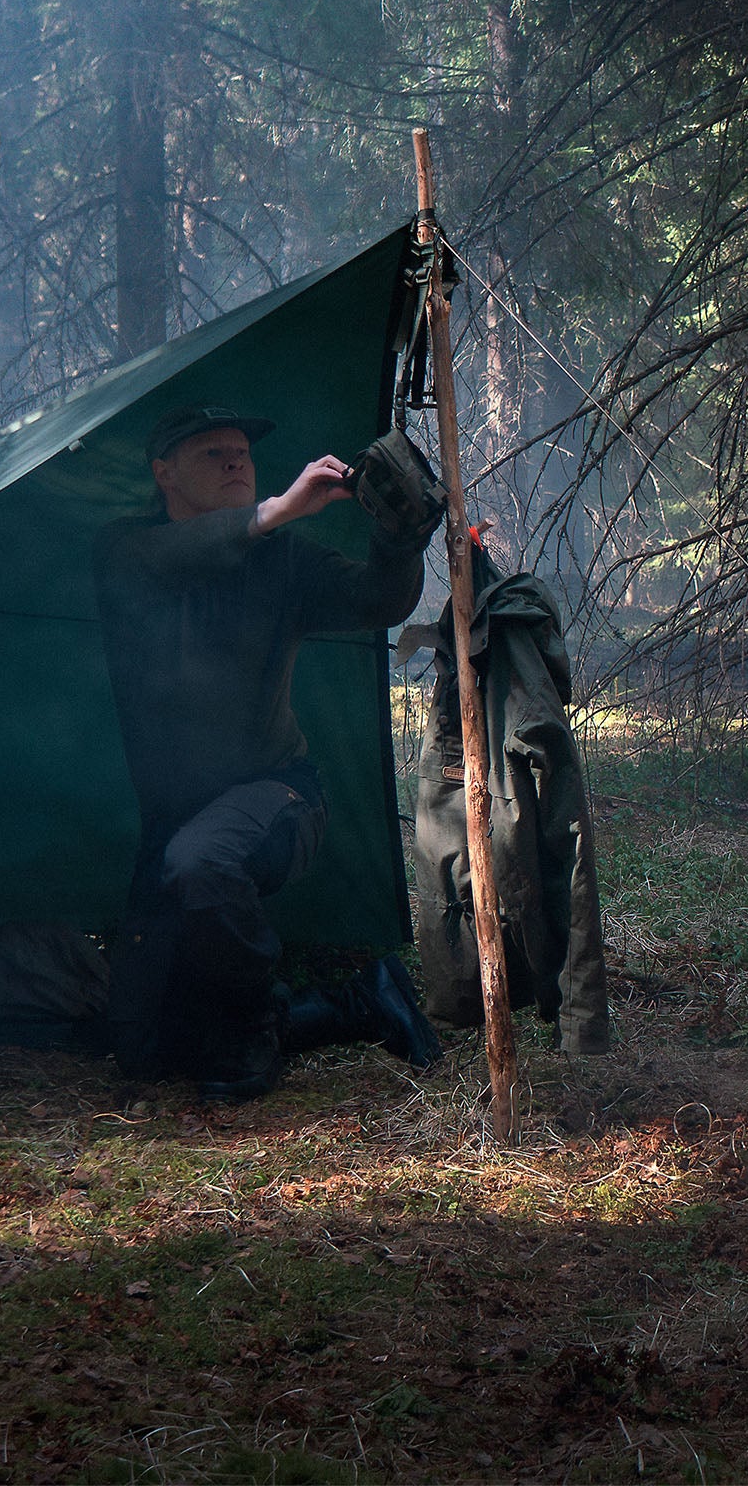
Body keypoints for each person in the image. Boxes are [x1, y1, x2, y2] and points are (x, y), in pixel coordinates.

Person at [93, 402, 444, 1102]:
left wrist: (401, 541)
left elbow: (378, 599)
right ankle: (359, 1001)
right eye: (211, 452)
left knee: (203, 859)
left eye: (242, 453)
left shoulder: (283, 559)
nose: (234, 461)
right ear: (163, 473)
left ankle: (255, 1024)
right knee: (143, 1048)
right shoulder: (125, 552)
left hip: (279, 798)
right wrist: (278, 509)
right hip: (173, 822)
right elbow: (183, 555)